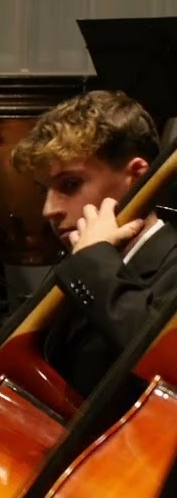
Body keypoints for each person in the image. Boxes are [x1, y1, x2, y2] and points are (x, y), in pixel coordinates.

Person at [11, 90, 177, 398]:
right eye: (44, 190)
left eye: (70, 184)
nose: (49, 210)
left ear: (137, 176)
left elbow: (166, 367)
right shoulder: (77, 263)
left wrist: (95, 262)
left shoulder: (168, 260)